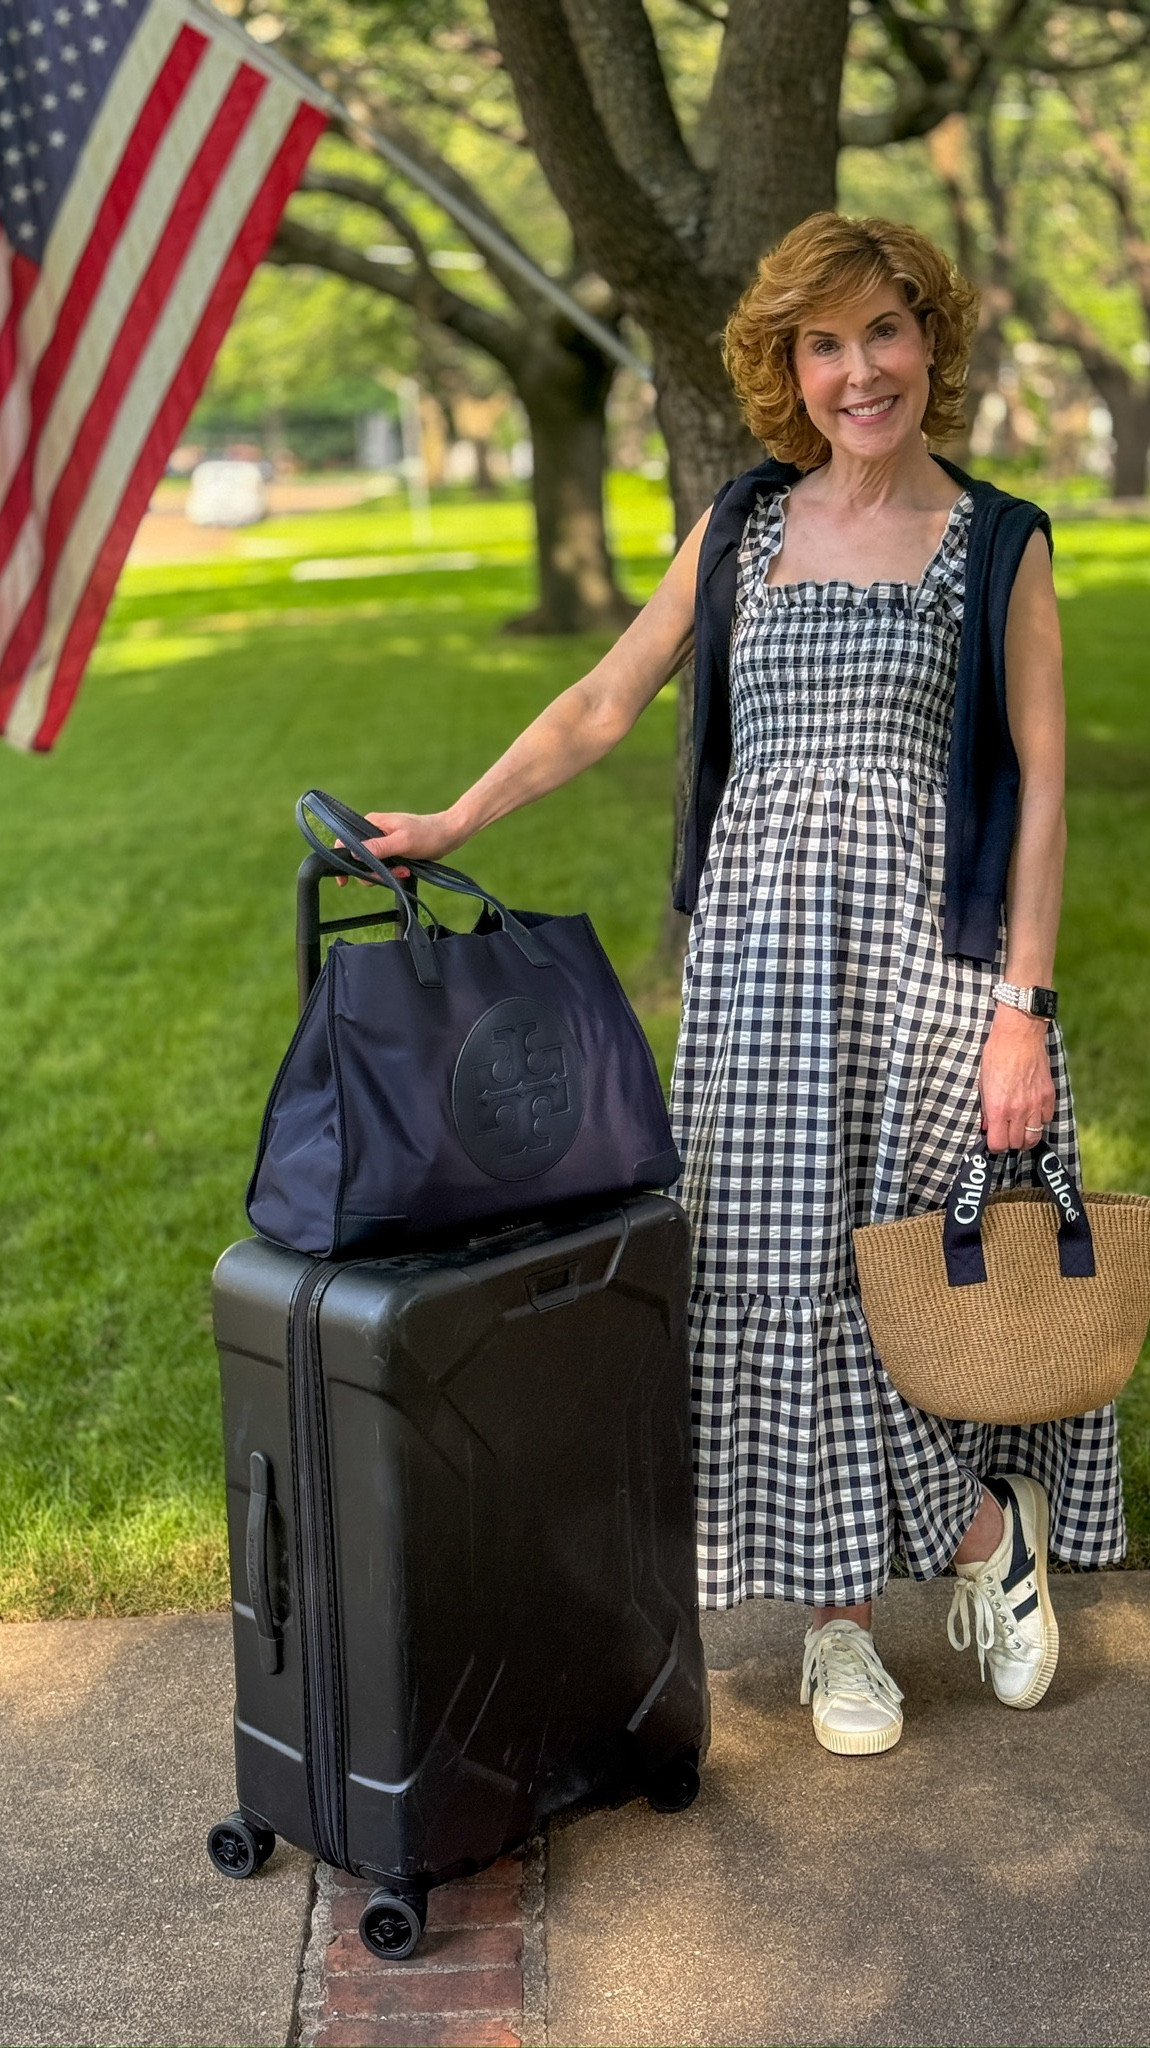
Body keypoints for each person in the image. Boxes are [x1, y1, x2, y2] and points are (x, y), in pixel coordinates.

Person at [354, 213, 1125, 1756]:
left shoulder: (999, 541)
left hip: (927, 968)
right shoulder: (746, 528)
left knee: (905, 1278)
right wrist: (451, 820)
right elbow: (601, 701)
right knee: (770, 1286)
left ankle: (983, 1540)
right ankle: (851, 1622)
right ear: (788, 365)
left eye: (884, 335)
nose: (858, 372)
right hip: (761, 978)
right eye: (824, 344)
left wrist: (1020, 1013)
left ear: (931, 346)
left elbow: (1041, 788)